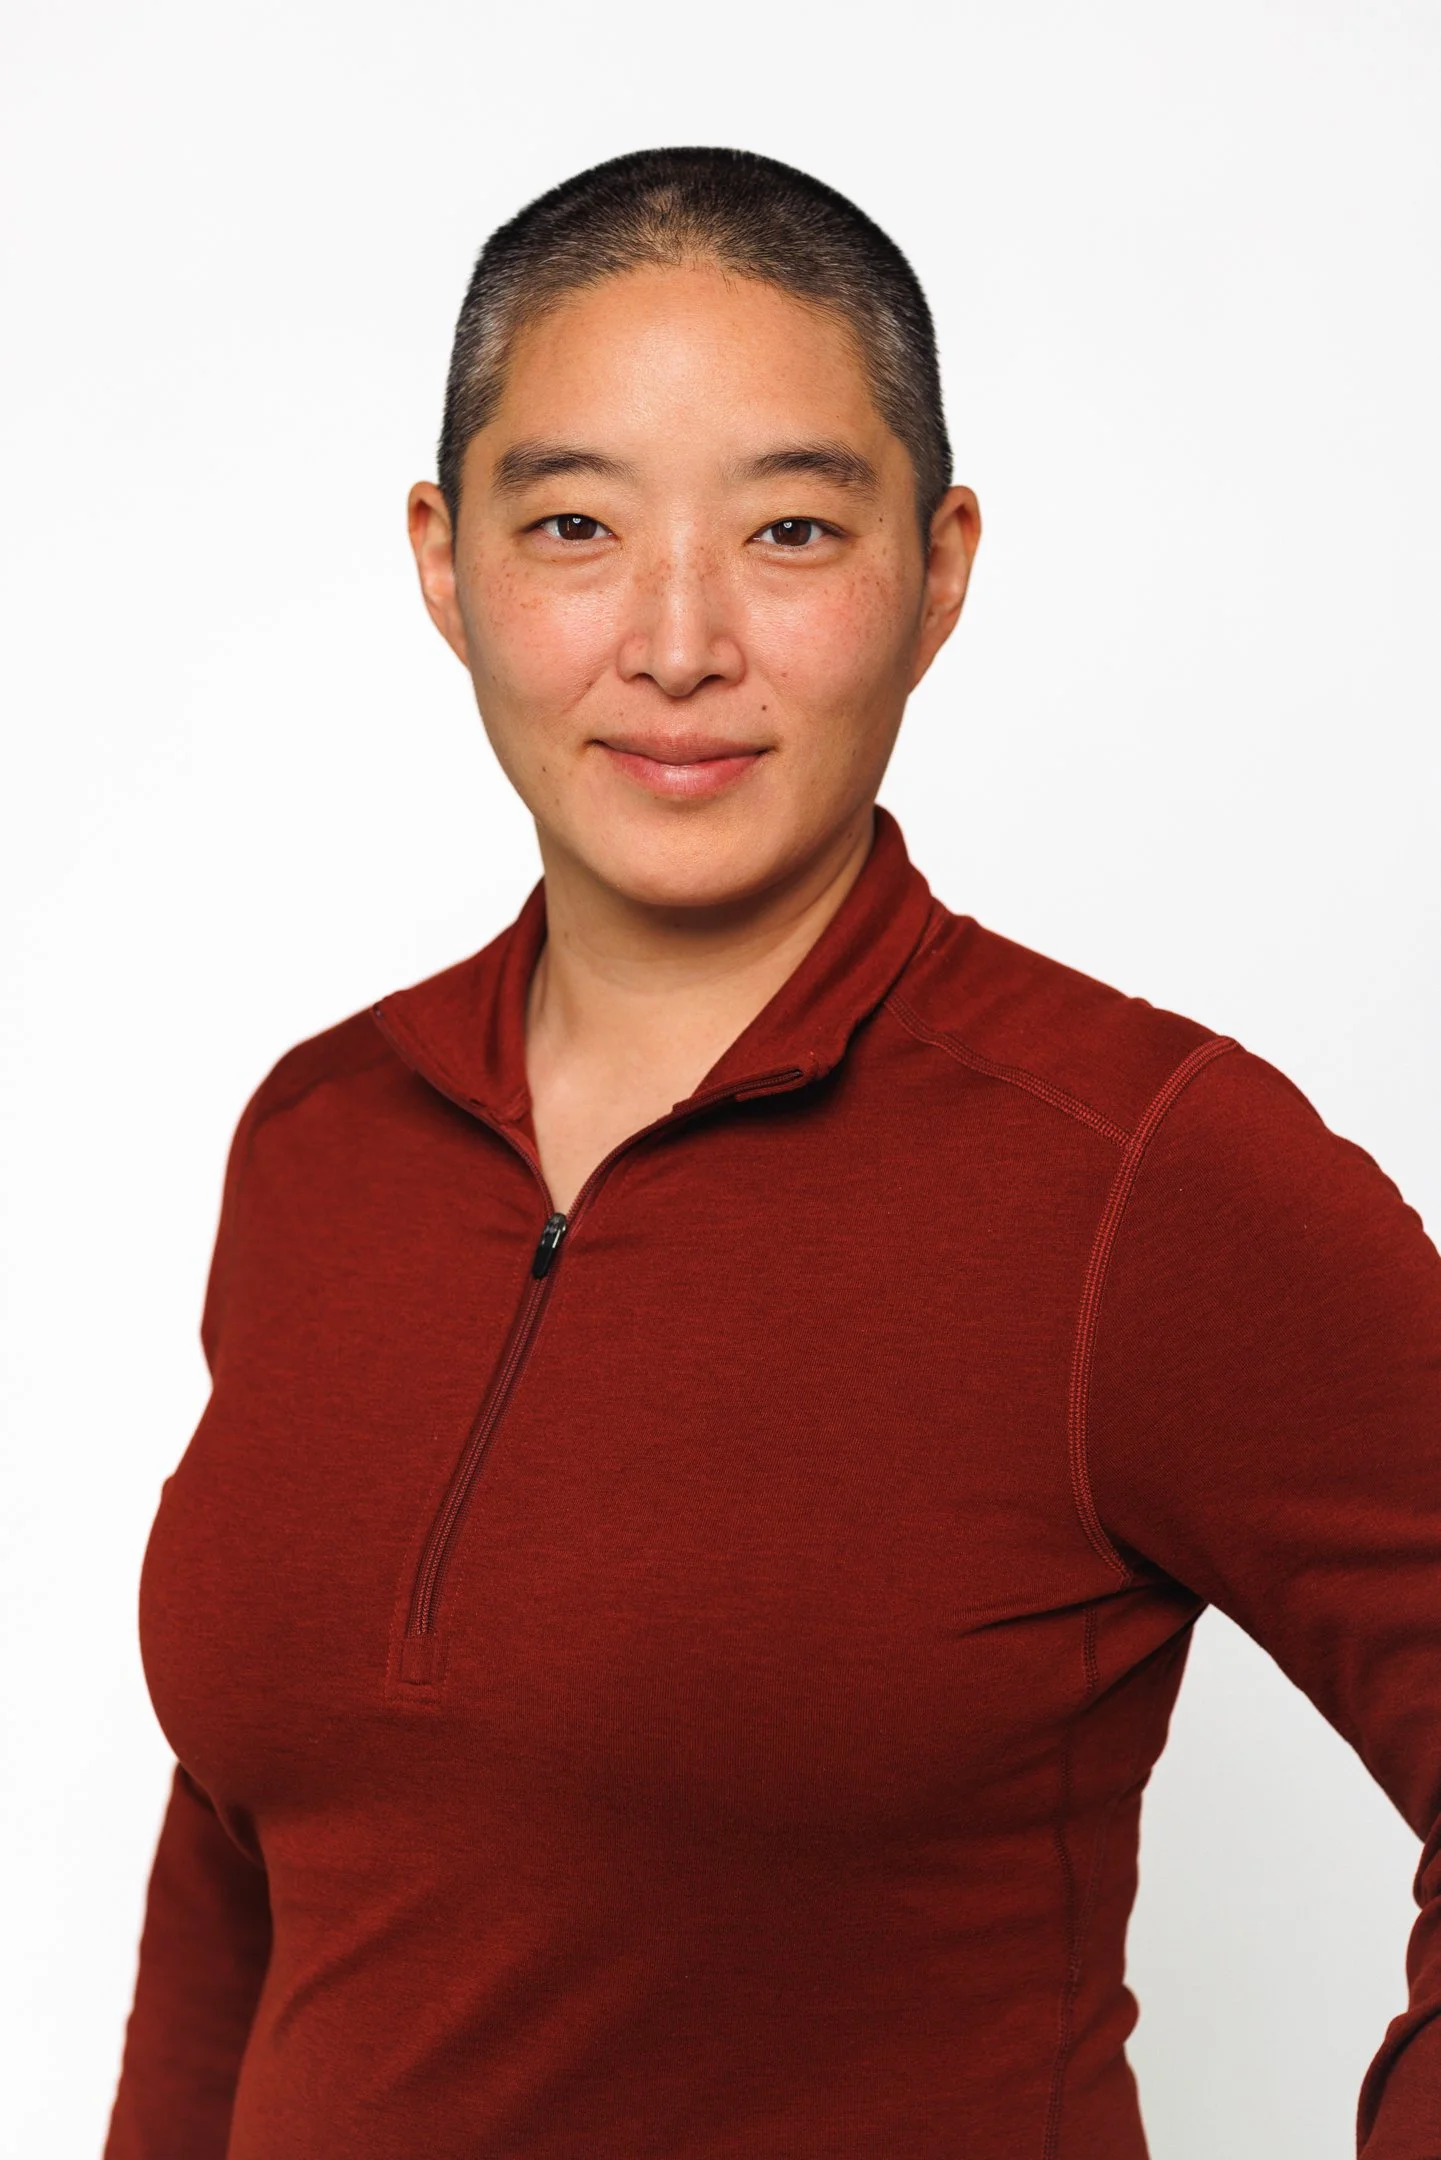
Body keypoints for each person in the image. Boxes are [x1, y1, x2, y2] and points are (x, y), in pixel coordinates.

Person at [105, 148, 1441, 2160]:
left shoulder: (1143, 1173)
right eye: (572, 524)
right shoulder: (325, 1136)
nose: (675, 641)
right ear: (444, 561)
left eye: (793, 529)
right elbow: (245, 1869)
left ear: (941, 568)